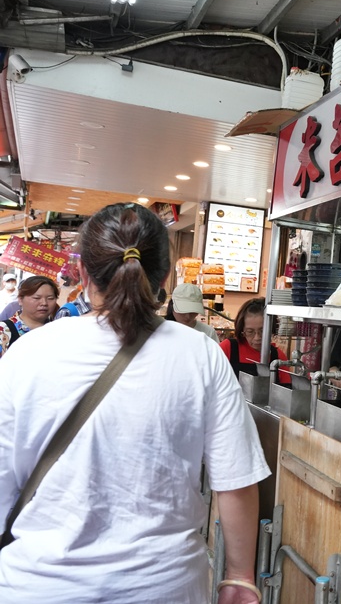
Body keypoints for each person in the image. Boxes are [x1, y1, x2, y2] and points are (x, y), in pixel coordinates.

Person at [0, 203, 268, 603]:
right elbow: (236, 479)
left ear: (85, 275)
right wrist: (240, 576)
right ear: (163, 276)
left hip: (38, 584)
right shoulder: (200, 353)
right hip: (165, 586)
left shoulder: (28, 353)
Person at [220, 298, 290, 385]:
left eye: (262, 331)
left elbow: (284, 391)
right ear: (242, 331)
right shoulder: (228, 348)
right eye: (250, 332)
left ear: (271, 329)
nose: (257, 337)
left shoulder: (278, 357)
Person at [0, 275, 59, 356]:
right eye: (36, 298)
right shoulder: (3, 330)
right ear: (20, 300)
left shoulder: (59, 330)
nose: (44, 303)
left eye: (50, 298)